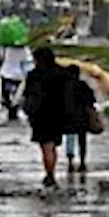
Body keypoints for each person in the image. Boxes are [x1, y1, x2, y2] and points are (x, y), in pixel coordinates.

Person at [22, 47, 68, 189]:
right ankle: (51, 172)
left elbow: (27, 95)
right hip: (58, 113)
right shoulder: (61, 73)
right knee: (52, 145)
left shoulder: (33, 75)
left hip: (40, 115)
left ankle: (50, 174)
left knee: (46, 146)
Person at [61, 64, 97, 173]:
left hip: (68, 117)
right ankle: (82, 161)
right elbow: (91, 100)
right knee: (82, 140)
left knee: (70, 139)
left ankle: (70, 161)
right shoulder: (83, 85)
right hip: (82, 117)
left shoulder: (64, 87)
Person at [0, 41, 33, 121]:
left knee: (6, 94)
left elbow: (2, 58)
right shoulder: (25, 49)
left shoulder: (7, 48)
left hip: (6, 73)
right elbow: (28, 62)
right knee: (18, 95)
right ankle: (14, 108)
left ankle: (9, 107)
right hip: (19, 75)